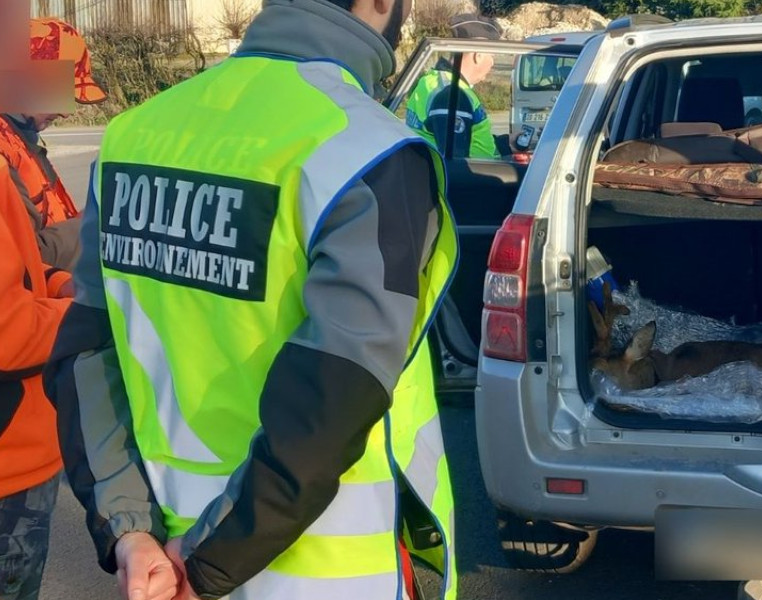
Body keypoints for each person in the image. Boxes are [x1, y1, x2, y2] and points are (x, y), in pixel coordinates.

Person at [43, 0, 460, 598]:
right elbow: (333, 402)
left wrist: (131, 531)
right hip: (321, 577)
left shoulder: (133, 136)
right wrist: (207, 559)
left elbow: (87, 353)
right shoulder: (367, 152)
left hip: (158, 566)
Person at [0, 17, 104, 600]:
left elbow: (23, 264)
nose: (65, 110)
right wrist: (84, 236)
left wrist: (60, 280)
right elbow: (8, 324)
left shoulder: (21, 144)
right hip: (12, 448)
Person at [3, 18, 106, 273]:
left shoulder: (19, 138)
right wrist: (94, 224)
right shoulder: (5, 152)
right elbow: (28, 256)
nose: (66, 113)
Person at [406, 14, 510, 160]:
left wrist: (506, 144)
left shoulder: (435, 81)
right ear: (478, 56)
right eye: (492, 56)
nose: (493, 63)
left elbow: (467, 138)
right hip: (472, 179)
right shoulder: (452, 94)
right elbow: (456, 164)